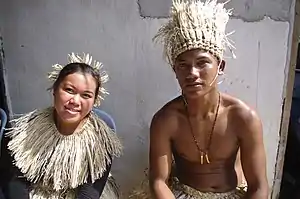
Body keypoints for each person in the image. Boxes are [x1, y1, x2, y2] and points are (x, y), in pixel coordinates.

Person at [130, 0, 269, 198]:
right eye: (183, 65)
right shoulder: (166, 120)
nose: (192, 73)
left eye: (202, 63)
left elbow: (258, 187)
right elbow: (158, 181)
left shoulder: (244, 118)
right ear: (175, 70)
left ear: (220, 66)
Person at [0, 53, 122, 199]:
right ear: (55, 90)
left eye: (86, 95)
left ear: (95, 100)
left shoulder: (101, 140)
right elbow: (15, 181)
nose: (75, 101)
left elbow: (89, 193)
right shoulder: (26, 131)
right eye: (69, 90)